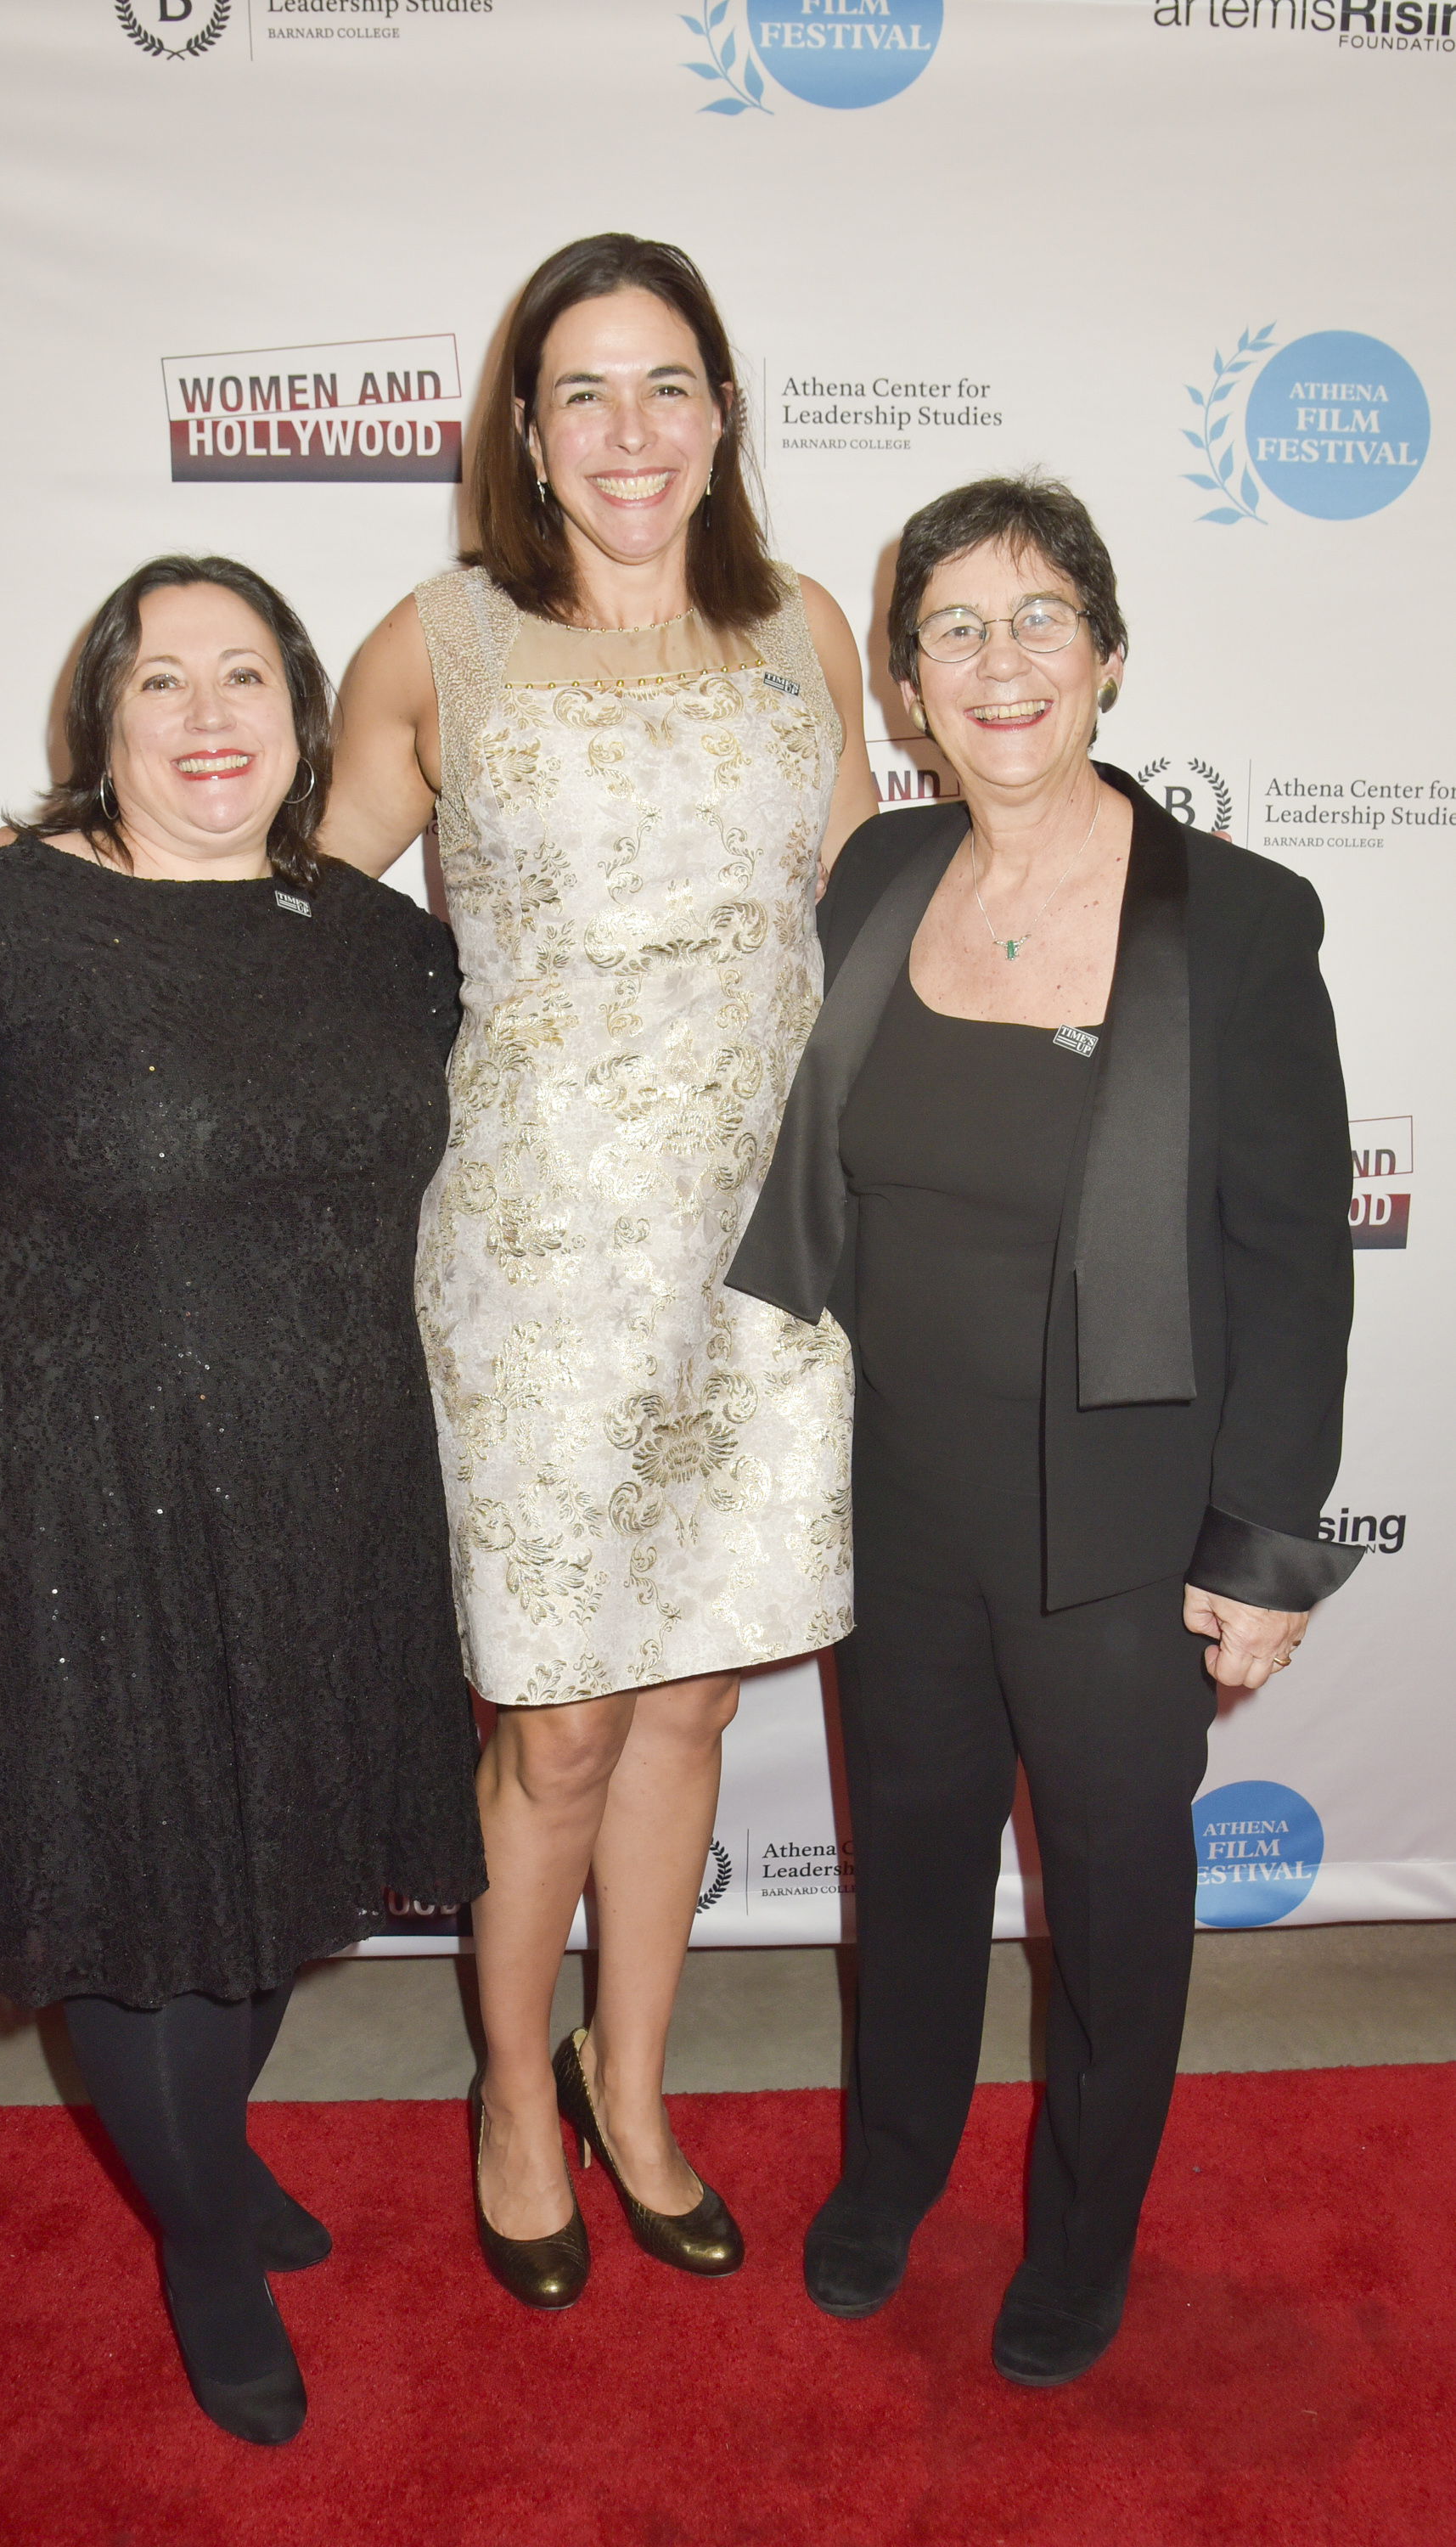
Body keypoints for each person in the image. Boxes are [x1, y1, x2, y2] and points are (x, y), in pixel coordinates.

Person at [0, 555, 486, 2445]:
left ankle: (209, 2160)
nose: (210, 719)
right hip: (72, 1496)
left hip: (331, 1489)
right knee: (128, 1889)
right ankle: (198, 2231)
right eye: (164, 681)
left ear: (305, 719)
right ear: (100, 718)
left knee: (267, 1871)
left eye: (247, 677)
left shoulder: (379, 940)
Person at [728, 474, 1361, 2386]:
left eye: (1039, 619)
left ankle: (1083, 2237)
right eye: (951, 631)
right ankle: (892, 2176)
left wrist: (1262, 1544)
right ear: (906, 689)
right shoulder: (880, 883)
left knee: (1113, 1914)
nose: (999, 665)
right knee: (909, 1869)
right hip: (902, 1497)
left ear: (1105, 651)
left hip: (1119, 1523)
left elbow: (1294, 1250)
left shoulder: (1236, 923)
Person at [320, 233, 876, 2302]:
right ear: (527, 438)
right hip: (538, 1268)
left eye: (668, 386)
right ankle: (508, 2093)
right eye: (584, 393)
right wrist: (48, 869)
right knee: (555, 1729)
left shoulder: (804, 629)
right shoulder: (440, 644)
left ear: (721, 412)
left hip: (766, 1262)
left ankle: (630, 2086)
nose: (630, 431)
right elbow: (274, 899)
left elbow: (870, 939)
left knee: (694, 1702)